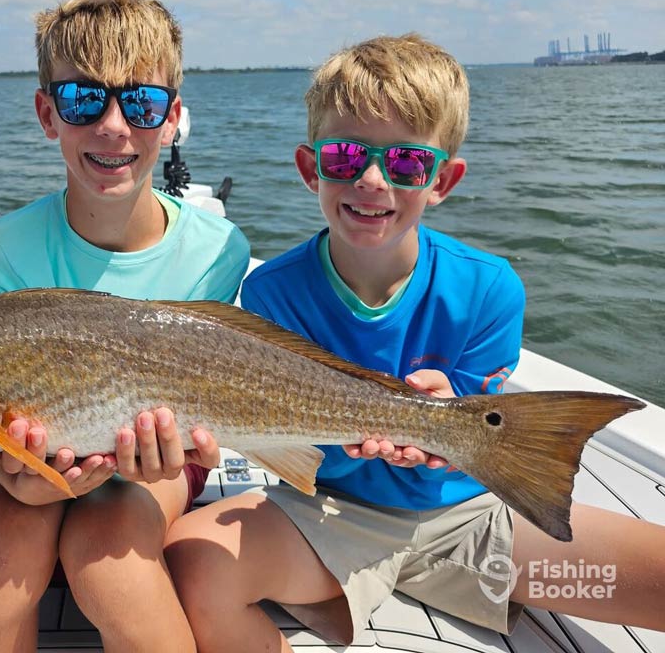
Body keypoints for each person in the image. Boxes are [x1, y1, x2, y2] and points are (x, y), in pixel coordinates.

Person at [164, 34, 665, 651]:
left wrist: (447, 421)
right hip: (334, 516)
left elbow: (485, 424)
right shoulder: (271, 292)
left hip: (470, 518)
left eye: (405, 164)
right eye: (345, 157)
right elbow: (294, 444)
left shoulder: (489, 289)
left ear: (442, 180)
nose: (373, 180)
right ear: (309, 168)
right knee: (193, 560)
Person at [0, 0, 251, 653]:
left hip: (154, 461)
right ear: (46, 112)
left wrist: (157, 455)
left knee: (109, 560)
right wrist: (21, 477)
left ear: (172, 118)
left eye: (140, 103)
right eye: (83, 98)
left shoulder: (221, 250)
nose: (113, 127)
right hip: (29, 459)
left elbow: (212, 397)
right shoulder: (3, 250)